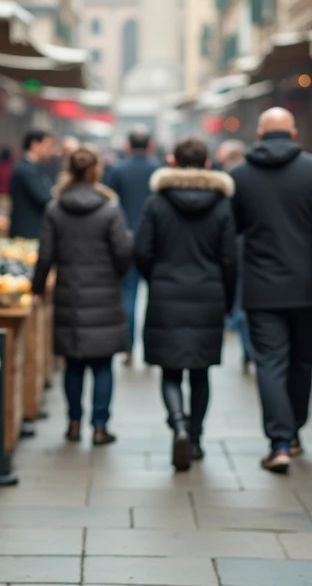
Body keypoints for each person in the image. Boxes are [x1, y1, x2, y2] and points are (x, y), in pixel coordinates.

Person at [229, 107, 312, 473]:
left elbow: (231, 229)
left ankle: (278, 442)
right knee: (302, 360)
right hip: (309, 284)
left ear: (259, 135)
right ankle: (293, 433)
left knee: (269, 361)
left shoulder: (240, 176)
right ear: (293, 134)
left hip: (262, 287)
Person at [134, 137, 237, 471]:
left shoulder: (157, 202)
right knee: (200, 372)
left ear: (173, 162)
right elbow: (230, 258)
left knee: (170, 369)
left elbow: (142, 250)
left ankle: (177, 423)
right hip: (208, 295)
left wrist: (156, 278)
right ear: (208, 164)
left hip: (166, 293)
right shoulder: (221, 204)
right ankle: (194, 438)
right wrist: (228, 298)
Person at [32, 146, 132, 445]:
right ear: (96, 171)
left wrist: (37, 287)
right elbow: (123, 251)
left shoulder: (55, 208)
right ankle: (100, 427)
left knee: (73, 364)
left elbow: (45, 254)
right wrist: (116, 274)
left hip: (70, 294)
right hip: (104, 293)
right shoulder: (110, 209)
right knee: (103, 364)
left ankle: (74, 423)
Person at [103, 127, 160, 362]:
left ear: (128, 146)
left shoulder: (117, 170)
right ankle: (150, 349)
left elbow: (109, 203)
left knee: (128, 293)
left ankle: (128, 347)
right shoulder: (159, 170)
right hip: (155, 241)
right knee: (155, 297)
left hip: (124, 239)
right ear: (150, 146)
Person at [215, 139, 253, 371]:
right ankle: (249, 349)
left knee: (240, 300)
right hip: (250, 247)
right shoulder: (251, 177)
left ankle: (247, 347)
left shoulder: (228, 182)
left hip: (235, 246)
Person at [9, 130, 56, 239]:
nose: (51, 151)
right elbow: (44, 198)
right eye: (48, 146)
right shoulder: (25, 170)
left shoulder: (37, 167)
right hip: (26, 232)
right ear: (35, 145)